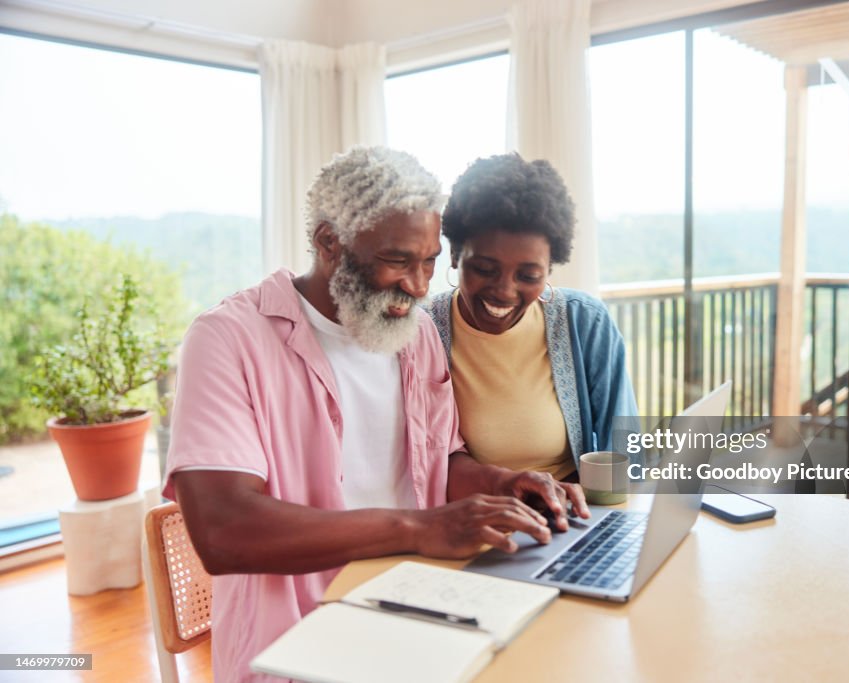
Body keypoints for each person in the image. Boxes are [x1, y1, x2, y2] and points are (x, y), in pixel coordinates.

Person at [163, 146, 588, 682]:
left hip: (423, 611)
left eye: (430, 261)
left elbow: (438, 461)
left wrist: (505, 483)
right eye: (397, 261)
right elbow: (223, 532)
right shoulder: (227, 339)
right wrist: (419, 527)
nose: (418, 286)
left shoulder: (413, 334)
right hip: (299, 645)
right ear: (328, 243)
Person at [428, 153, 639, 482]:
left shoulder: (584, 322)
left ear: (549, 270)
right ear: (455, 255)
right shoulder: (424, 333)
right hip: (476, 521)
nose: (505, 291)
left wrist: (611, 520)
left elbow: (625, 449)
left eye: (527, 275)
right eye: (485, 269)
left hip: (572, 517)